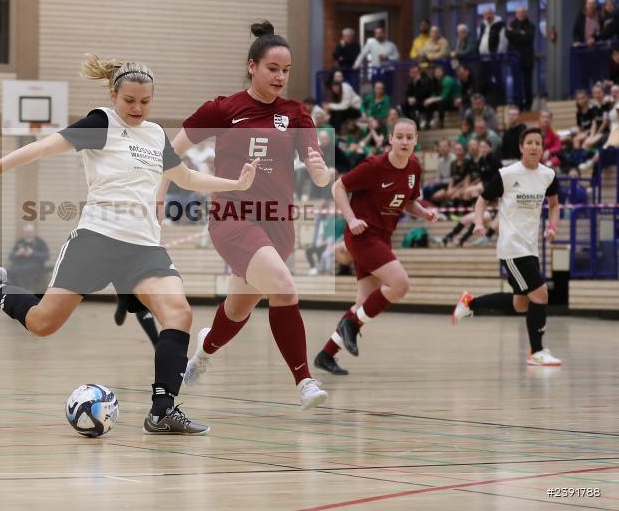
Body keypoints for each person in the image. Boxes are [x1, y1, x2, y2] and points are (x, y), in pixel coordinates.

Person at [0, 54, 259, 435]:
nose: (138, 108)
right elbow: (44, 147)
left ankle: (162, 411)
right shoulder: (101, 123)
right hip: (96, 240)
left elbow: (187, 177)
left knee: (179, 314)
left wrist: (235, 185)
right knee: (43, 324)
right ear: (113, 95)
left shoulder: (156, 134)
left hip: (144, 247)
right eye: (130, 101)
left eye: (145, 101)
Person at [166, 21, 333, 410]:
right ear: (252, 66)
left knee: (238, 307)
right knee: (283, 286)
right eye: (273, 68)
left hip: (279, 222)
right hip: (233, 217)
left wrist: (322, 172)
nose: (280, 77)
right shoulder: (224, 108)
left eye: (286, 70)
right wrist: (160, 194)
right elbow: (170, 154)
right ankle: (304, 380)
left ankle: (204, 352)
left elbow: (319, 170)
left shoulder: (296, 113)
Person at [313, 118, 438, 375]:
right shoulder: (374, 166)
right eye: (399, 136)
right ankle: (353, 324)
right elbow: (338, 187)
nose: (404, 141)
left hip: (383, 237)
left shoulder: (414, 167)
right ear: (390, 139)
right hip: (362, 236)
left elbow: (408, 202)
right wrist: (351, 218)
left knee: (364, 300)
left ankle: (326, 354)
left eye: (409, 137)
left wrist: (424, 214)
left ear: (416, 140)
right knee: (400, 284)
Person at [452, 127, 562, 367]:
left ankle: (470, 303)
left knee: (521, 303)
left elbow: (554, 205)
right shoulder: (508, 174)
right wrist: (479, 223)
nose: (534, 146)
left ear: (542, 148)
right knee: (541, 294)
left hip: (530, 247)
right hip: (512, 247)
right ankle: (537, 352)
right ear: (521, 147)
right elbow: (482, 200)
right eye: (529, 143)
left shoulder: (548, 175)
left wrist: (552, 228)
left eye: (538, 143)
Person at [505, 6, 536, 110]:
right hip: (514, 59)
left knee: (527, 85)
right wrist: (520, 33)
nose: (521, 14)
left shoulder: (531, 25)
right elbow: (508, 34)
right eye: (519, 12)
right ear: (516, 14)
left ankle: (528, 105)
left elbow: (528, 38)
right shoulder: (511, 24)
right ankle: (517, 105)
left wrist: (515, 34)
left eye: (523, 12)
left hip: (527, 60)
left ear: (526, 13)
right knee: (516, 84)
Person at [7, 224, 50, 290]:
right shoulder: (19, 242)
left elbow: (46, 256)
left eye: (30, 232)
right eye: (27, 232)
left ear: (33, 232)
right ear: (24, 233)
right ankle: (18, 291)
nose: (29, 234)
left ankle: (26, 292)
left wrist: (32, 253)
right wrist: (18, 253)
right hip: (19, 266)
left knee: (25, 273)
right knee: (9, 272)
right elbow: (10, 256)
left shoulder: (40, 242)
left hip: (35, 267)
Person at [422, 64, 460, 129]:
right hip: (444, 101)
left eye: (439, 72)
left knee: (441, 102)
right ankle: (427, 122)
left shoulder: (447, 80)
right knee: (429, 104)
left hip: (453, 101)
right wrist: (428, 100)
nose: (437, 74)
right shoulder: (435, 81)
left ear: (443, 72)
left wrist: (431, 100)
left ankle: (441, 122)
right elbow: (434, 94)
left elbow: (444, 97)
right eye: (436, 72)